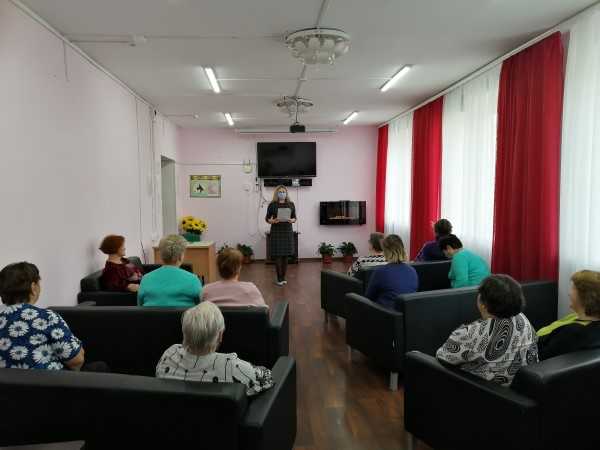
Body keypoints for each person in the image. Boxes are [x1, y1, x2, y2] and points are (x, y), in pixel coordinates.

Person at [436, 275, 538, 386]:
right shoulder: (522, 319)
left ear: (483, 305)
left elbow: (442, 357)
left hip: (486, 391)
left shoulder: (471, 333)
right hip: (522, 386)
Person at [156, 302, 273, 396]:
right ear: (220, 335)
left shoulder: (169, 355)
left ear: (185, 332)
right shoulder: (232, 367)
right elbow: (267, 379)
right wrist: (255, 368)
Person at [0, 262, 85, 371]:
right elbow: (76, 361)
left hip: (6, 382)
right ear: (33, 287)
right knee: (100, 366)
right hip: (48, 380)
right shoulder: (46, 317)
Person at [537, 270, 600, 360]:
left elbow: (541, 357)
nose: (569, 294)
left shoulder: (575, 332)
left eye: (573, 289)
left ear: (585, 296)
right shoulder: (577, 317)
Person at [138, 235, 201, 307]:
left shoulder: (146, 279)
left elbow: (140, 306)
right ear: (180, 256)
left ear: (161, 256)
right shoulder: (193, 280)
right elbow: (199, 306)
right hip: (184, 314)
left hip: (151, 315)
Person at [364, 234, 418, 309]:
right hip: (408, 312)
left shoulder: (381, 271)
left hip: (385, 313)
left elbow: (368, 297)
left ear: (386, 251)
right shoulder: (412, 270)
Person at [202, 248, 267, 307]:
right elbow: (263, 311)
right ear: (239, 268)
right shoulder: (250, 288)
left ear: (218, 268)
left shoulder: (206, 290)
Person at [265, 185, 296, 286]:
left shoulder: (291, 204)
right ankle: (279, 279)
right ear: (276, 193)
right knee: (278, 256)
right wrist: (273, 221)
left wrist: (291, 220)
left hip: (287, 232)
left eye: (283, 191)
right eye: (280, 192)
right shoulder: (272, 205)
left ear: (286, 193)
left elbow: (294, 218)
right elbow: (267, 218)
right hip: (276, 231)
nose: (282, 193)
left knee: (286, 256)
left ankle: (283, 277)